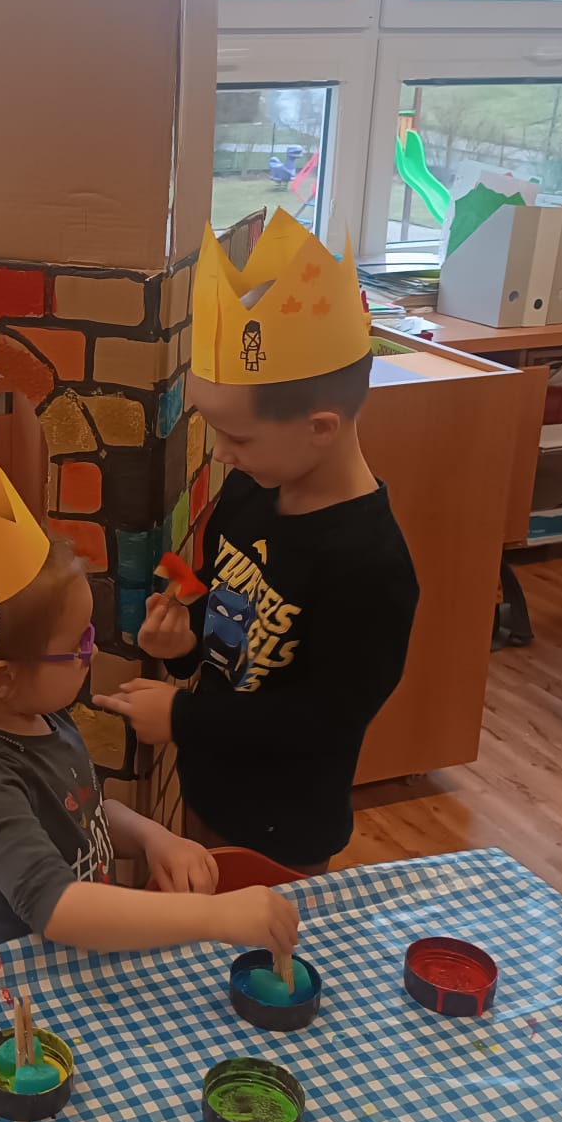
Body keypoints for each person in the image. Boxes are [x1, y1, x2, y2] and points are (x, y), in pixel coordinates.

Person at [0, 437, 300, 962]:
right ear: (2, 679)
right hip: (10, 989)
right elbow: (57, 907)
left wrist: (152, 837)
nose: (93, 651)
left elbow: (79, 812)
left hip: (68, 970)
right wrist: (213, 916)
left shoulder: (36, 715)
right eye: (78, 644)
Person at [98, 210, 419, 875]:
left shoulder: (371, 567)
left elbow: (325, 723)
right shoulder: (249, 492)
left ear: (321, 428)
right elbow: (221, 612)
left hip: (285, 825)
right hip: (211, 786)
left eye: (237, 437)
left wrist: (184, 720)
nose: (222, 453)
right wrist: (185, 644)